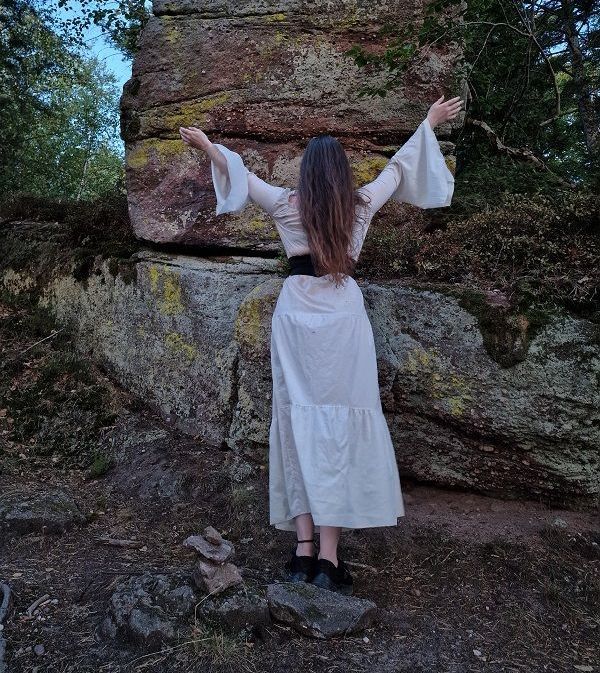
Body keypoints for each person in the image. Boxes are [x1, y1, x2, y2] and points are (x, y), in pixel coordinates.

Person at [179, 94, 462, 595]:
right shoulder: (360, 205)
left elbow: (242, 175)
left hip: (296, 315)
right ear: (342, 173)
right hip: (342, 317)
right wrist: (429, 122)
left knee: (297, 424)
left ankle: (302, 552)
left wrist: (208, 147)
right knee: (339, 429)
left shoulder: (286, 205)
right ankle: (329, 560)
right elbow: (398, 169)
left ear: (307, 172)